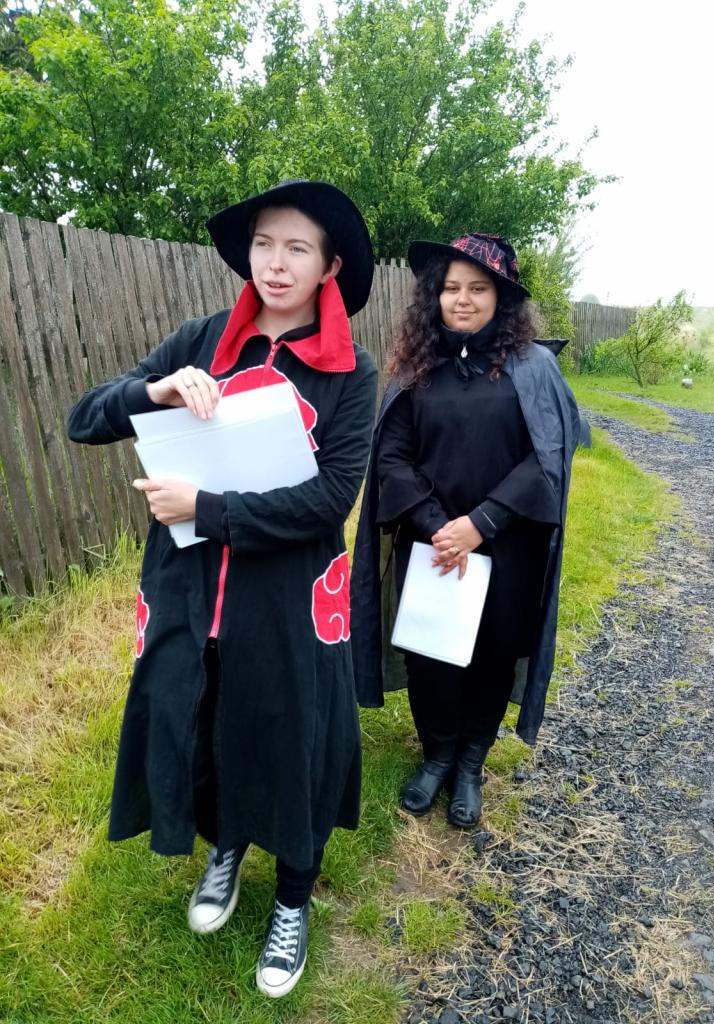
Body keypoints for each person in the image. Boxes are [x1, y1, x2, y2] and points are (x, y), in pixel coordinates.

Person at [67, 180, 378, 998]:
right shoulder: (202, 340)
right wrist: (154, 391)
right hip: (193, 593)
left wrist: (207, 509)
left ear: (329, 266)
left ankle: (294, 899)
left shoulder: (352, 370)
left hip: (288, 601)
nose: (275, 263)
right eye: (264, 244)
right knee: (210, 725)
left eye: (297, 248)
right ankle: (228, 846)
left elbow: (331, 498)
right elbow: (83, 419)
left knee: (291, 735)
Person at [351, 233, 580, 829]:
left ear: (501, 298)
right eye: (451, 288)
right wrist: (438, 528)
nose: (462, 299)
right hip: (431, 545)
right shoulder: (415, 368)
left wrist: (481, 523)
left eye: (478, 289)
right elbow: (392, 458)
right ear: (435, 296)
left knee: (492, 653)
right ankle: (437, 756)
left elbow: (546, 457)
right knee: (430, 654)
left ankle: (472, 762)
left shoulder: (535, 368)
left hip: (507, 544)